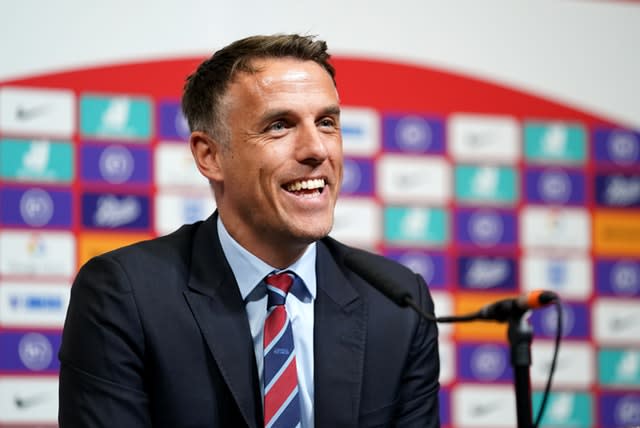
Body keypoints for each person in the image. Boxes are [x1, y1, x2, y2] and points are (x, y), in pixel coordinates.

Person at [59, 34, 440, 427]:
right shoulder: (123, 295)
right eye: (279, 125)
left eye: (326, 123)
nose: (317, 149)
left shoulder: (398, 304)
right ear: (210, 156)